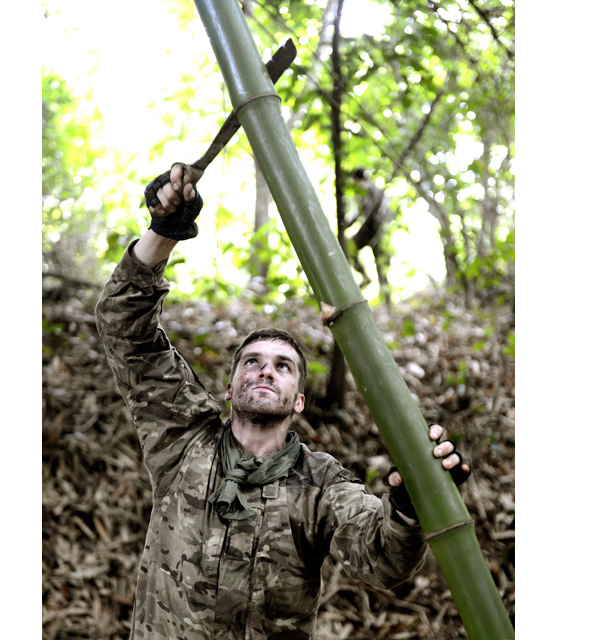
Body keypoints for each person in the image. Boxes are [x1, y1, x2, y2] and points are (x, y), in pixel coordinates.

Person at [95, 163, 470, 640]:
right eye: (250, 362)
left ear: (299, 401)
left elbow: (381, 559)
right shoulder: (182, 438)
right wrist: (162, 232)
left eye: (283, 365)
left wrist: (413, 500)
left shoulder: (321, 484)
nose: (265, 370)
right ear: (230, 389)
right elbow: (123, 326)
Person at [344, 168, 396, 307]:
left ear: (355, 178)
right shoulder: (376, 187)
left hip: (370, 227)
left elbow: (363, 209)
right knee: (379, 262)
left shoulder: (364, 187)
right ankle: (388, 301)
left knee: (349, 249)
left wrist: (347, 224)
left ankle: (365, 276)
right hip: (379, 228)